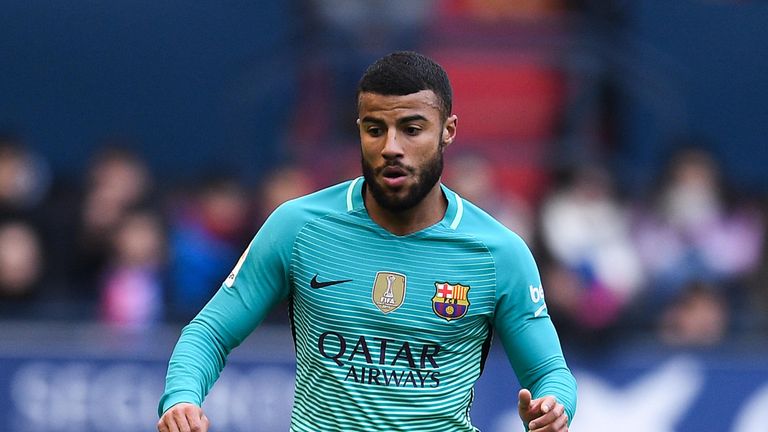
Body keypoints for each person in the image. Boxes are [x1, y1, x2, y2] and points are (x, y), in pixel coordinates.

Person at [158, 51, 576, 432]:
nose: (391, 147)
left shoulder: (498, 252)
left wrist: (554, 410)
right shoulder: (298, 226)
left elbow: (549, 373)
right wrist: (181, 399)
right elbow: (210, 332)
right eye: (375, 129)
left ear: (448, 131)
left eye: (412, 129)